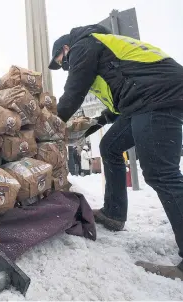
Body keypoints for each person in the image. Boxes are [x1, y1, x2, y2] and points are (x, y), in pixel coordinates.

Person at [49, 24, 183, 280]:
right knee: (109, 147)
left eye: (62, 62)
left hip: (157, 96)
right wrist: (98, 122)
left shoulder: (84, 45)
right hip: (143, 99)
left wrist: (52, 126)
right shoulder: (104, 49)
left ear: (66, 49)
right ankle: (114, 213)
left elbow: (73, 92)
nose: (66, 66)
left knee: (161, 173)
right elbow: (124, 90)